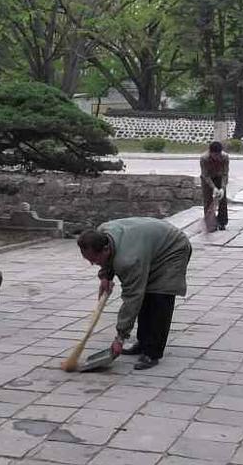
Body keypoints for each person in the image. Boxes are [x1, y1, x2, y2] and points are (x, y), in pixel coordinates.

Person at [77, 217, 192, 370]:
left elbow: (132, 297)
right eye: (89, 260)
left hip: (172, 249)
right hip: (149, 245)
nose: (92, 263)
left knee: (159, 296)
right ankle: (143, 343)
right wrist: (105, 276)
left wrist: (120, 337)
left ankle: (153, 352)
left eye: (94, 259)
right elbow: (110, 258)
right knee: (145, 296)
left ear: (105, 249)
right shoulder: (102, 231)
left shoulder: (128, 260)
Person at [200, 141, 230, 231]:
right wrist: (213, 188)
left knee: (222, 200)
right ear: (210, 152)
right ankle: (210, 224)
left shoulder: (225, 157)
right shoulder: (204, 158)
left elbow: (225, 173)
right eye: (215, 155)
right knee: (208, 201)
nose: (217, 157)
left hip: (219, 177)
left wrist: (222, 188)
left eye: (219, 155)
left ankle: (222, 222)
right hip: (207, 179)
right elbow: (205, 175)